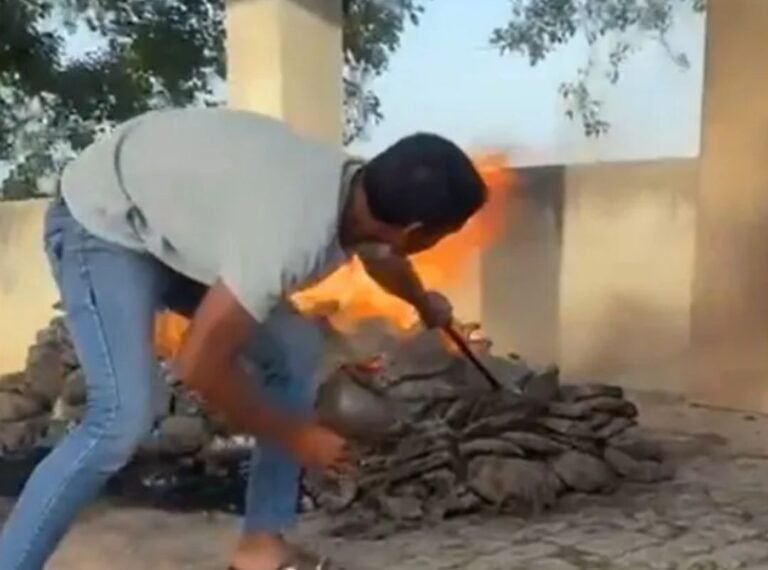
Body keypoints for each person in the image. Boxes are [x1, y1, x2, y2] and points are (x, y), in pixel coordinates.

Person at [0, 107, 487, 570]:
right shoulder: (289, 236)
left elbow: (382, 252)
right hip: (105, 220)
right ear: (417, 230)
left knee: (296, 350)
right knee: (121, 417)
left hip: (173, 224)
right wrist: (296, 436)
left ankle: (260, 548)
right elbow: (197, 365)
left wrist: (422, 302)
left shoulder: (355, 190)